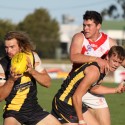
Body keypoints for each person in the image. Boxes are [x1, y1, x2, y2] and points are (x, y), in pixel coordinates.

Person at [69, 10, 125, 125]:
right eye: (84, 25)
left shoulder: (109, 42)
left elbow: (122, 61)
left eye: (89, 25)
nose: (86, 28)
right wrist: (96, 59)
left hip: (94, 88)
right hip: (74, 87)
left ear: (98, 26)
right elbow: (74, 57)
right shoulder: (79, 37)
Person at [51, 45, 125, 125]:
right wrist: (81, 120)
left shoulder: (104, 69)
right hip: (64, 103)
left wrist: (115, 90)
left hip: (75, 103)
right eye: (114, 61)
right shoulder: (94, 71)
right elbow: (76, 96)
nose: (116, 65)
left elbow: (94, 88)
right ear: (107, 57)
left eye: (119, 62)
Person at [0, 31, 62, 125]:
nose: (8, 51)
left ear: (20, 46)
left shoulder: (32, 57)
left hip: (33, 109)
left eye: (12, 47)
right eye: (6, 47)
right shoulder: (2, 65)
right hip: (13, 111)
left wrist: (32, 71)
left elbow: (47, 83)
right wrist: (11, 80)